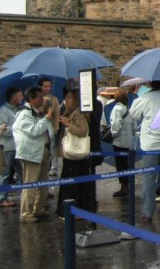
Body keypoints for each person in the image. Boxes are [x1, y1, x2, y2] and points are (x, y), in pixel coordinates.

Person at [130, 80, 160, 221]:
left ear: (150, 83)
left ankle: (147, 212)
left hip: (150, 145)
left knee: (149, 178)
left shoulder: (144, 98)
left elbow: (133, 114)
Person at [14, 86, 55, 223]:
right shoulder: (24, 114)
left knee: (43, 184)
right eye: (40, 97)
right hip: (30, 154)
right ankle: (26, 213)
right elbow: (34, 130)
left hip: (42, 151)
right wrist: (46, 119)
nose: (42, 99)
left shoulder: (37, 112)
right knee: (30, 185)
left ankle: (38, 208)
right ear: (31, 99)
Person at [55, 86, 98, 218]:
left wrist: (69, 125)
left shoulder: (78, 113)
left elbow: (84, 131)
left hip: (76, 156)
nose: (67, 100)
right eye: (66, 97)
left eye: (70, 98)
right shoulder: (69, 112)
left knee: (74, 186)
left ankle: (76, 210)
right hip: (69, 156)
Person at [0, 87, 24, 207]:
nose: (22, 97)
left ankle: (23, 194)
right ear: (13, 97)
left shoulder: (18, 110)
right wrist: (16, 127)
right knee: (5, 173)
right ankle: (2, 198)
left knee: (22, 171)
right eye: (20, 95)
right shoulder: (2, 111)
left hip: (18, 146)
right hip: (7, 147)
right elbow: (2, 130)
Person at [109, 88, 134, 197]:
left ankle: (124, 187)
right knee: (126, 163)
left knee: (120, 164)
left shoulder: (117, 109)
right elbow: (134, 125)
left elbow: (115, 125)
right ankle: (127, 185)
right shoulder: (128, 109)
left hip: (119, 141)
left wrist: (112, 134)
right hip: (128, 141)